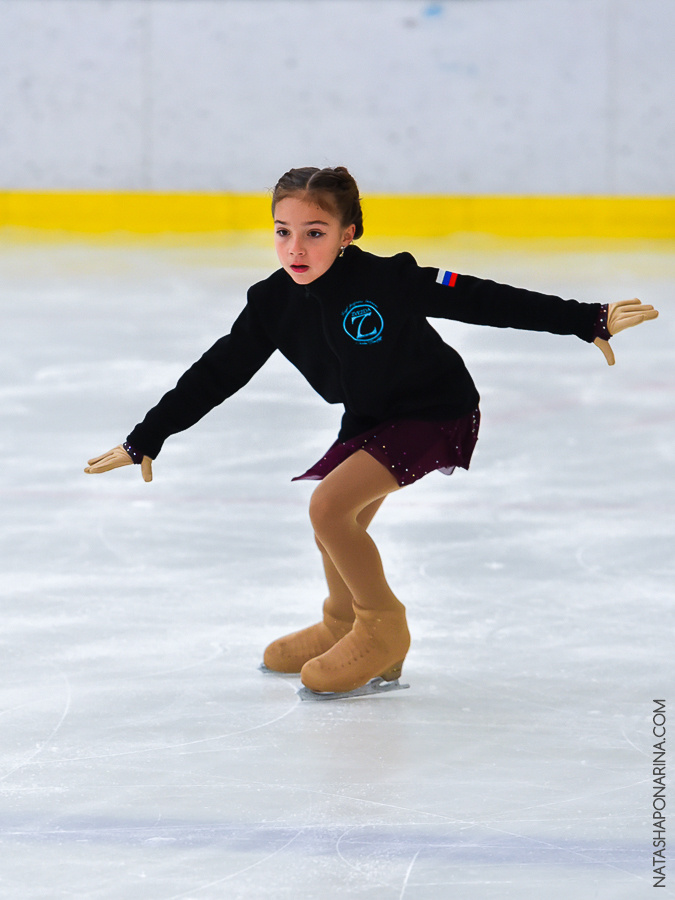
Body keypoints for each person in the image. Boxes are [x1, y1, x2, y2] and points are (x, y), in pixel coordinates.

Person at [85, 166, 658, 698]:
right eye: (283, 231)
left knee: (329, 508)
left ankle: (383, 628)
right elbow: (220, 369)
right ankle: (342, 621)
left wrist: (584, 318)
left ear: (347, 233)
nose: (295, 247)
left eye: (314, 232)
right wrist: (147, 436)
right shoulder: (271, 302)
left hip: (435, 408)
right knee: (341, 521)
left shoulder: (389, 279)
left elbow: (482, 298)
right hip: (369, 414)